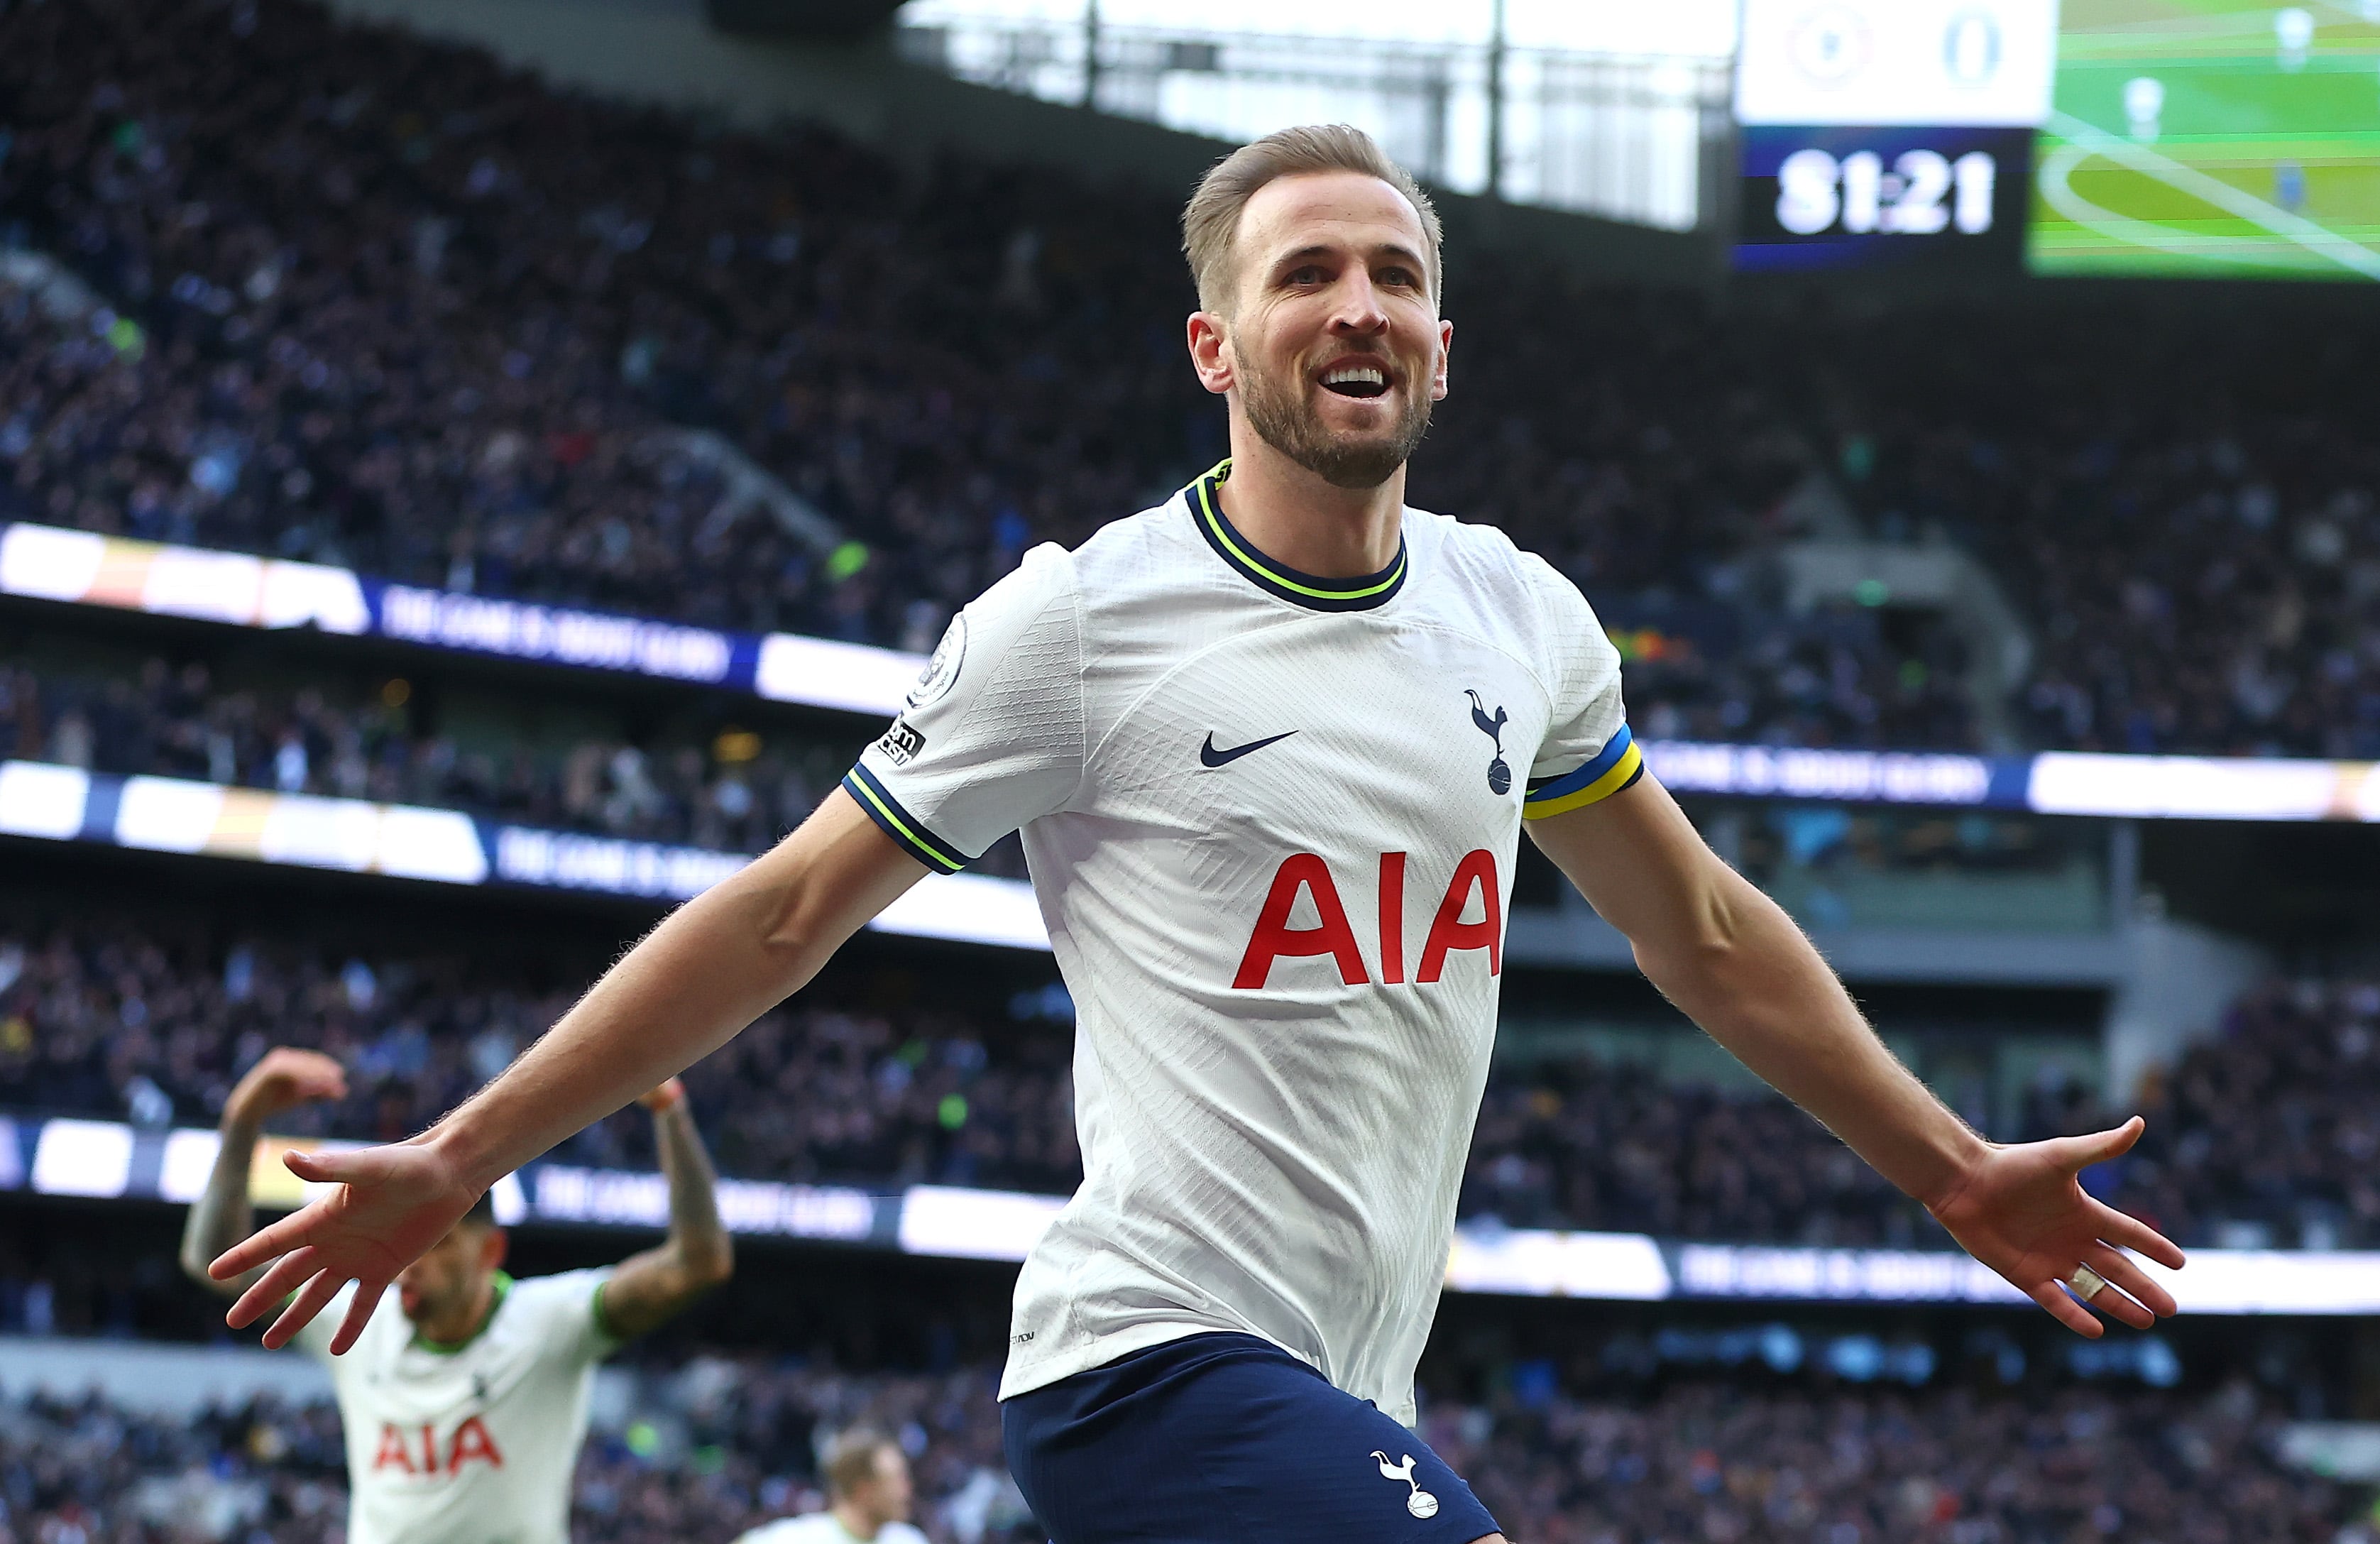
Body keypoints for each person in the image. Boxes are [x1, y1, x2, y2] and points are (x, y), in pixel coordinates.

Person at [209, 125, 2186, 1544]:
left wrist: (1946, 1164)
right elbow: (793, 907)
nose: (1359, 303)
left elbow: (1711, 936)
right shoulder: (1081, 624)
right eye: (1304, 272)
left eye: (1397, 273)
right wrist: (465, 1150)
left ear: (1439, 343)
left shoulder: (1524, 618)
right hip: (1147, 1362)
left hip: (1342, 1391)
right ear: (1214, 349)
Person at [181, 1046, 733, 1544]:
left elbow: (698, 1261)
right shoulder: (359, 1320)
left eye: (437, 1244)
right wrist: (240, 1122)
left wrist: (671, 1110)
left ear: (490, 1252)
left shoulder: (551, 1320)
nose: (409, 1260)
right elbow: (218, 1262)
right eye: (402, 1242)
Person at [735, 1428, 928, 1544]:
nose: (907, 1490)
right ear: (863, 1490)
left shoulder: (909, 1540)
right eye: (895, 1480)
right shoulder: (800, 1538)